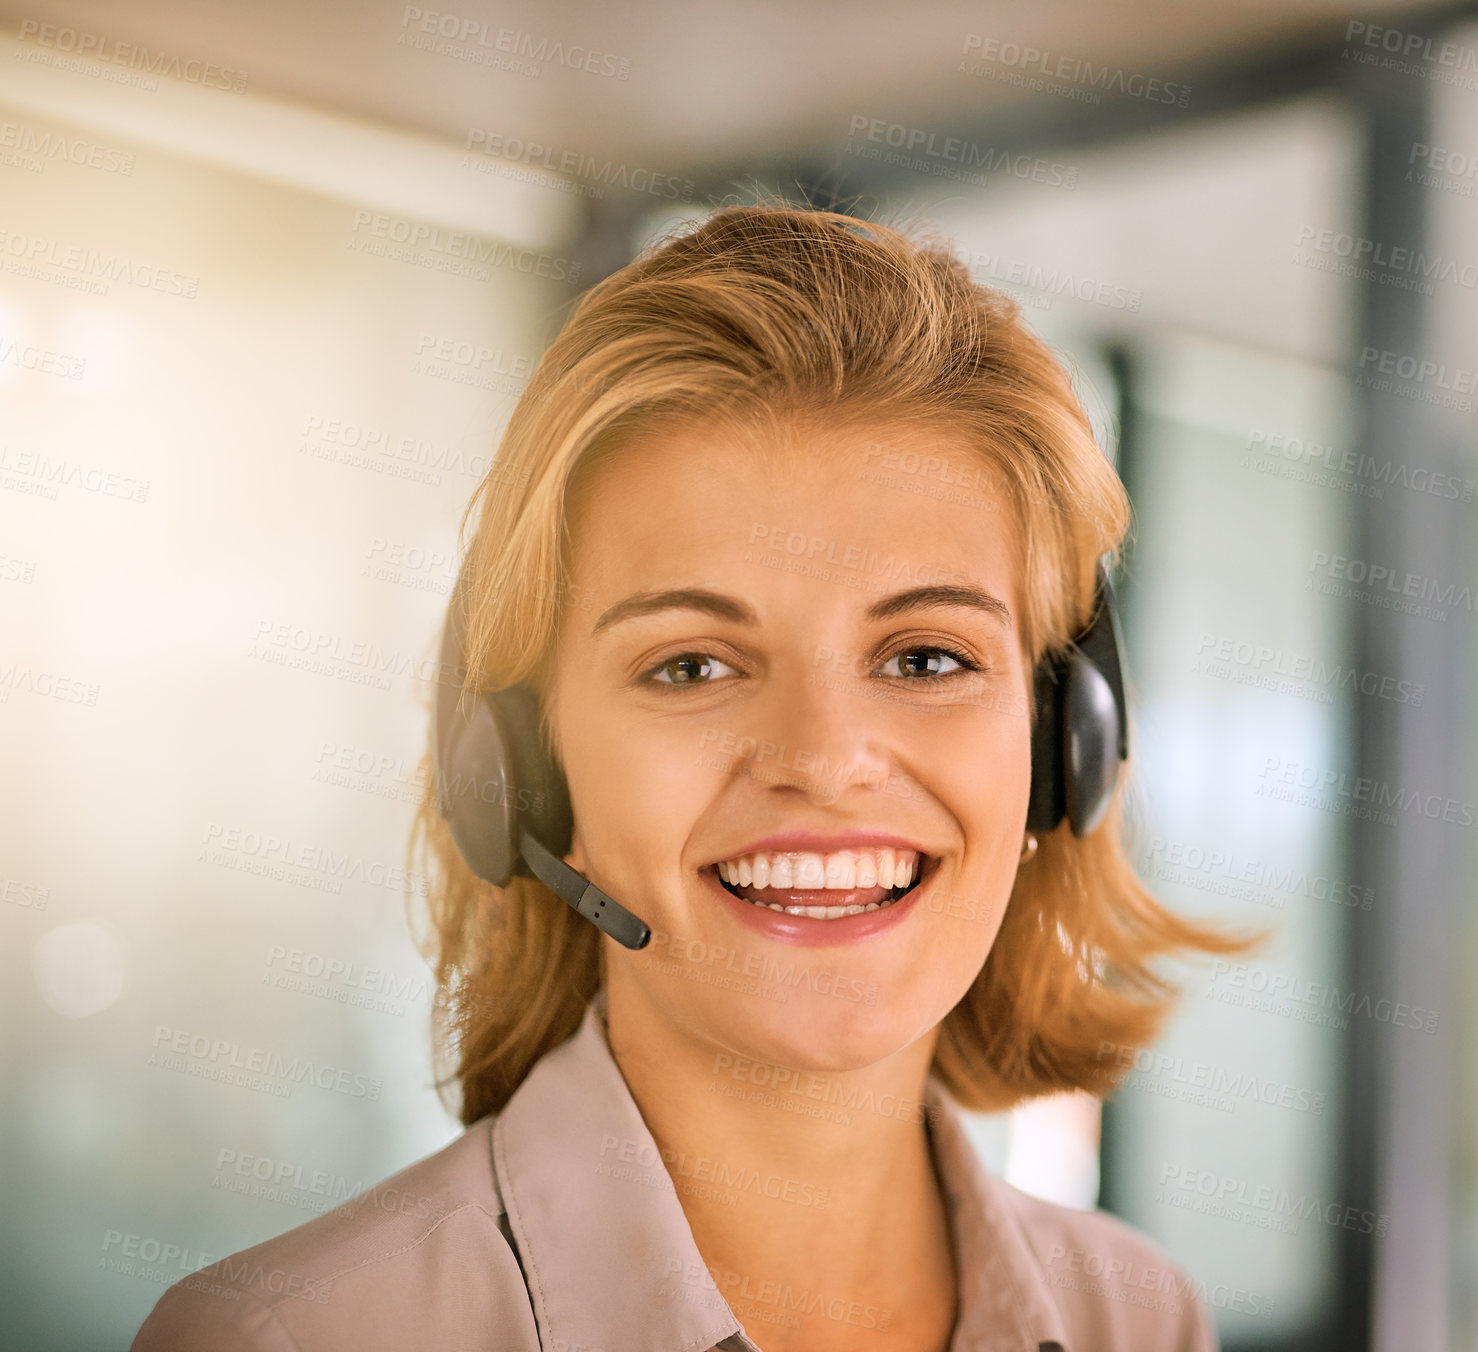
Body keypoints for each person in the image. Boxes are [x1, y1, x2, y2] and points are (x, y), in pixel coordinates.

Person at [132, 201, 1252, 1352]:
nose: (821, 759)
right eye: (691, 664)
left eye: (925, 656)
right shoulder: (295, 1336)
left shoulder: (1135, 1316)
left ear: (1063, 743)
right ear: (517, 773)